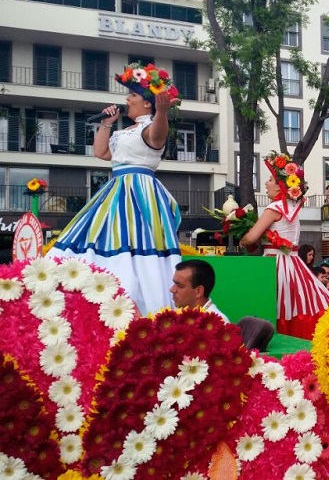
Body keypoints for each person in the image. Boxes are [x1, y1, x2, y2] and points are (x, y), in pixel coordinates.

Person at [48, 62, 182, 316]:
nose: (127, 99)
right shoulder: (126, 130)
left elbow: (157, 136)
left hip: (139, 191)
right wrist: (107, 123)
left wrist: (162, 112)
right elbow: (101, 153)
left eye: (132, 95)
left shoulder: (150, 127)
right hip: (116, 188)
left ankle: (140, 299)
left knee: (138, 241)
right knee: (98, 236)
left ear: (146, 103)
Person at [240, 152, 329, 339]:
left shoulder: (273, 208)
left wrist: (241, 238)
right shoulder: (291, 209)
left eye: (269, 179)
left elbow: (251, 238)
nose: (266, 183)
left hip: (273, 264)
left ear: (279, 187)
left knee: (274, 305)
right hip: (293, 265)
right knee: (297, 303)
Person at [171, 260, 275, 351]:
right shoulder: (179, 314)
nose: (172, 289)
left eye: (179, 286)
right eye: (174, 284)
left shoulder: (218, 324)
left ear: (199, 291)